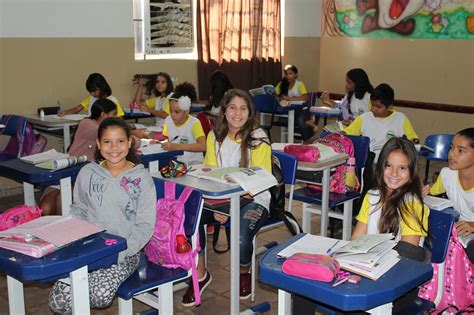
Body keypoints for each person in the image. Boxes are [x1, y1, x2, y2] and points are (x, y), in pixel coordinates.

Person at [292, 137, 429, 314]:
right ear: (381, 167)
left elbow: (408, 253)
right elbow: (356, 239)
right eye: (388, 166)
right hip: (366, 271)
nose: (394, 173)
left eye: (402, 168)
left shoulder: (412, 204)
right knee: (304, 290)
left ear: (411, 171)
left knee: (352, 305)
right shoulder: (372, 196)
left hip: (398, 284)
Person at [48, 117, 157, 314]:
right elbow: (78, 211)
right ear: (98, 144)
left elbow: (145, 225)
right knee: (58, 302)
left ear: (129, 142)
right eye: (107, 141)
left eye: (120, 141)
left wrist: (122, 252)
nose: (114, 147)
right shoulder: (87, 173)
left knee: (99, 295)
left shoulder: (142, 179)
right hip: (88, 250)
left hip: (125, 253)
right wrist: (74, 243)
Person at [181, 89, 272, 307]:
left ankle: (244, 271)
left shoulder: (258, 138)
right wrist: (221, 205)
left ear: (250, 112)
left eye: (243, 108)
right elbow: (210, 174)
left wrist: (227, 207)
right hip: (220, 198)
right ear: (224, 111)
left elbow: (261, 179)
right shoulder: (214, 136)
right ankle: (201, 274)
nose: (237, 114)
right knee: (188, 222)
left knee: (241, 238)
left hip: (254, 197)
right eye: (232, 108)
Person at [40, 99, 118, 216]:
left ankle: (63, 232)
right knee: (46, 207)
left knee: (61, 199)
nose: (115, 118)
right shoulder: (87, 124)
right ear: (103, 114)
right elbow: (108, 136)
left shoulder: (106, 130)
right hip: (68, 172)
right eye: (113, 115)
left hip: (84, 175)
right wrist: (133, 133)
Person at [343, 83, 419, 195]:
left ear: (389, 107)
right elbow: (347, 133)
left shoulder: (400, 119)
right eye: (372, 105)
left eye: (378, 107)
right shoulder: (364, 118)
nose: (374, 109)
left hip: (390, 162)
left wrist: (413, 142)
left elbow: (413, 139)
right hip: (369, 162)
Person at [424, 128, 474, 262]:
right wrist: (420, 191)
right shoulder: (447, 174)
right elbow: (431, 192)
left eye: (461, 150)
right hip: (457, 230)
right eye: (451, 148)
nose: (451, 154)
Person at [162, 82, 206, 164]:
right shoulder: (168, 120)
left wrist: (177, 147)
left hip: (194, 163)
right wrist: (159, 143)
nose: (172, 115)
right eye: (171, 111)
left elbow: (203, 146)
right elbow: (166, 139)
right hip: (175, 162)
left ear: (186, 111)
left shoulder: (194, 123)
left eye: (176, 112)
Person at [275, 64, 313, 141]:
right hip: (290, 111)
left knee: (300, 120)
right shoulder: (282, 84)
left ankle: (307, 141)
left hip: (302, 110)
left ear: (296, 74)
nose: (288, 76)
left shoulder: (299, 84)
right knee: (281, 120)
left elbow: (305, 97)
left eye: (290, 73)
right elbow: (275, 94)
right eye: (286, 74)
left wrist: (290, 98)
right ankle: (310, 124)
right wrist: (280, 98)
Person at [58, 73, 125, 117]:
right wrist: (64, 112)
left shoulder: (113, 100)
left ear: (102, 87)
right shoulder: (90, 98)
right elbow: (76, 109)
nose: (92, 93)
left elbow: (119, 118)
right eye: (90, 91)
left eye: (94, 91)